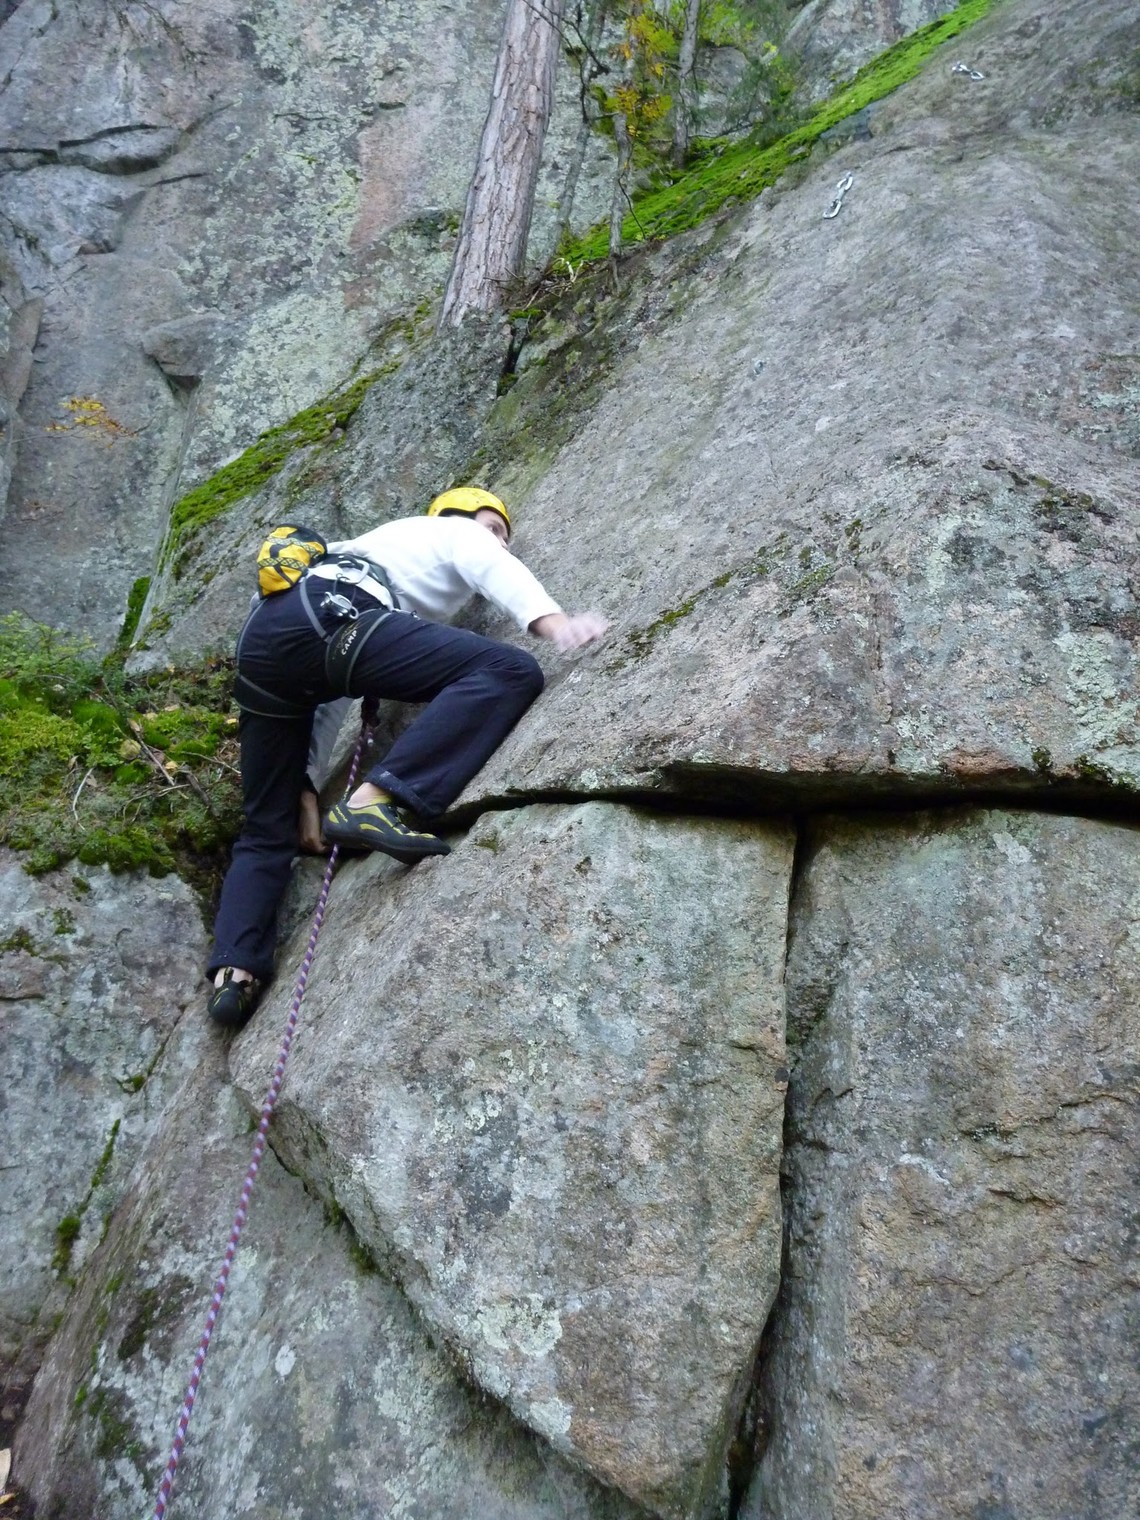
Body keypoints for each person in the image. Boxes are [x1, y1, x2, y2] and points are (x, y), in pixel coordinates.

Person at [207, 487, 607, 1027]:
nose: (499, 541)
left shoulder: (360, 552)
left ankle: (233, 972)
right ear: (456, 514)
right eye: (494, 527)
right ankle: (374, 799)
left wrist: (305, 783)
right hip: (337, 614)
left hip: (266, 645)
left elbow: (327, 694)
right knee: (509, 670)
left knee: (265, 827)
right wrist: (554, 622)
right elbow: (487, 561)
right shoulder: (449, 530)